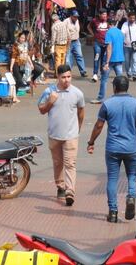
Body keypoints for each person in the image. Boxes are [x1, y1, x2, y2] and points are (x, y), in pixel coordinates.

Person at [87, 76, 136, 223]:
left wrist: (91, 142)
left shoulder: (107, 104)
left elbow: (99, 125)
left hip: (113, 148)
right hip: (132, 148)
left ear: (114, 88)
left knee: (112, 179)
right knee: (132, 176)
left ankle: (112, 212)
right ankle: (131, 197)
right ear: (127, 87)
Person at [38, 64, 86, 207]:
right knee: (58, 163)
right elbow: (41, 110)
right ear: (57, 77)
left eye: (69, 77)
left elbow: (81, 112)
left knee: (70, 164)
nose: (66, 80)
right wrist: (50, 102)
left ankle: (70, 191)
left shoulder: (78, 93)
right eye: (63, 77)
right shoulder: (49, 91)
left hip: (71, 135)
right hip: (54, 135)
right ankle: (60, 186)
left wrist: (78, 128)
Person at [93, 23, 125, 104]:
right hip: (119, 58)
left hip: (110, 59)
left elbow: (109, 47)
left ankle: (101, 98)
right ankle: (122, 97)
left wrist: (107, 62)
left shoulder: (109, 33)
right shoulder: (120, 32)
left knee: (104, 79)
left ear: (109, 25)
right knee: (121, 80)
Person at [88, 9, 111, 83]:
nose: (105, 16)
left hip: (106, 43)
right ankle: (95, 74)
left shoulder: (108, 21)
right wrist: (93, 34)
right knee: (97, 57)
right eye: (103, 14)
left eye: (105, 14)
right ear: (99, 15)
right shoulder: (94, 20)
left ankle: (102, 73)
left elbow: (111, 29)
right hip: (97, 42)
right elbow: (89, 27)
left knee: (104, 59)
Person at [120, 12, 136, 81]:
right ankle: (128, 73)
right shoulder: (125, 24)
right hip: (127, 46)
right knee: (127, 61)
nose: (133, 19)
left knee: (135, 60)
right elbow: (122, 33)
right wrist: (122, 40)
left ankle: (134, 74)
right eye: (131, 18)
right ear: (128, 18)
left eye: (134, 18)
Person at [64, 11, 87, 78]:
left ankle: (83, 71)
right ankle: (68, 72)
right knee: (68, 58)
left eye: (77, 17)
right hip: (69, 41)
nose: (76, 18)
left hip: (76, 40)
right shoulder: (66, 21)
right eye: (74, 16)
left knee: (79, 56)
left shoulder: (77, 21)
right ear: (71, 16)